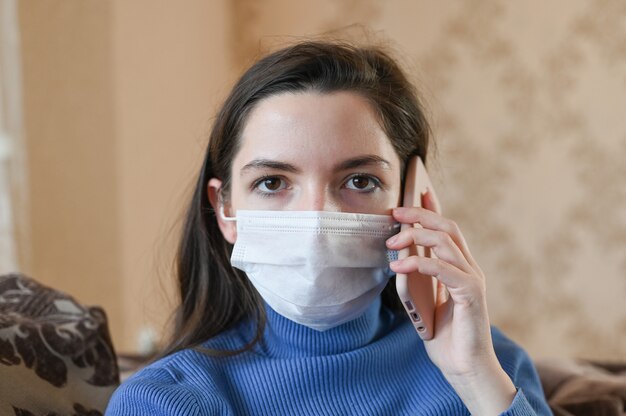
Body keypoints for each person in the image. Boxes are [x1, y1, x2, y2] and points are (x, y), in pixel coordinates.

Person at [106, 41, 552, 415]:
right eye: (273, 183)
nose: (317, 219)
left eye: (360, 181)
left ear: (413, 198)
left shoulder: (495, 366)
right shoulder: (165, 400)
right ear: (225, 212)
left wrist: (474, 378)